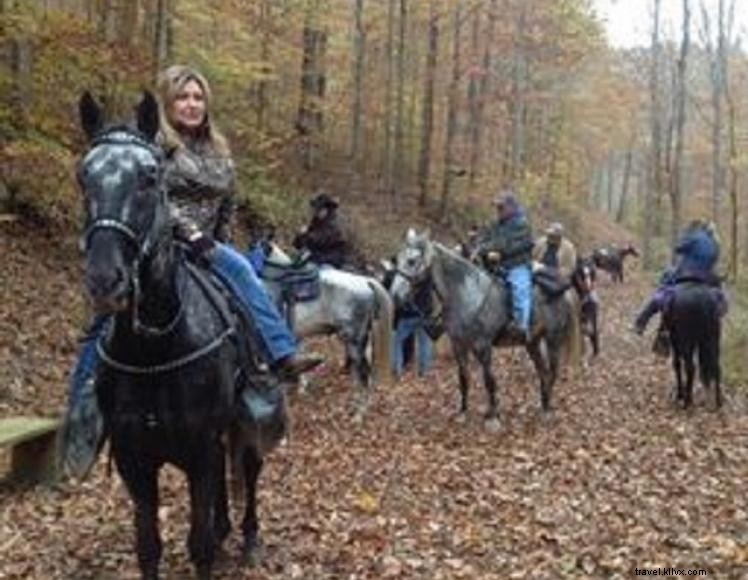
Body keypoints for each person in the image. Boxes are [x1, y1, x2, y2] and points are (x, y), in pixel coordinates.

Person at [64, 65, 321, 476]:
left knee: (242, 281)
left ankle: (258, 377)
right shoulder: (152, 146)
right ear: (168, 102)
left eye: (198, 97)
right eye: (183, 97)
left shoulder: (218, 151)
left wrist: (216, 241)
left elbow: (228, 204)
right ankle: (82, 417)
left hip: (207, 244)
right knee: (104, 320)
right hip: (158, 242)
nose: (191, 104)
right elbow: (151, 197)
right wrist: (189, 233)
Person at [634, 219, 723, 335]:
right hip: (708, 276)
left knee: (663, 291)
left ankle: (641, 322)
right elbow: (714, 261)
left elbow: (678, 248)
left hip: (687, 272)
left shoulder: (695, 237)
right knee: (721, 296)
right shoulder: (715, 243)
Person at [475, 192, 535, 341]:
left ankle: (522, 326)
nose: (498, 211)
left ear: (512, 207)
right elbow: (484, 240)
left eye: (501, 207)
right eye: (497, 208)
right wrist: (481, 249)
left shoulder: (522, 224)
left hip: (517, 265)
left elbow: (506, 245)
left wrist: (495, 252)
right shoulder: (496, 224)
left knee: (519, 289)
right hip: (496, 266)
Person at [293, 192, 361, 269]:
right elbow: (299, 244)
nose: (316, 212)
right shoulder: (316, 222)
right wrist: (300, 236)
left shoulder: (334, 224)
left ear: (326, 209)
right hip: (318, 258)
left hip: (331, 261)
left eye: (318, 209)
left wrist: (305, 235)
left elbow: (318, 239)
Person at [392, 274, 435, 378]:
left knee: (397, 342)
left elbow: (397, 297)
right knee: (425, 344)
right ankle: (424, 372)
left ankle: (398, 371)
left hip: (408, 316)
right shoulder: (429, 278)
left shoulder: (403, 279)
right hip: (425, 315)